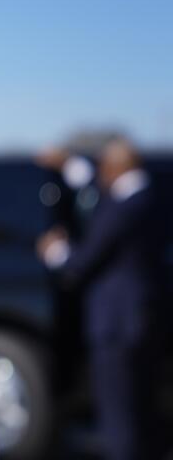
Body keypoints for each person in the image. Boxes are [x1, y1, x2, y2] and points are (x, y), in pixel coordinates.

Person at [38, 139, 168, 460]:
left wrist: (56, 253)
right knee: (144, 408)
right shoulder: (154, 199)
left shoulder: (122, 209)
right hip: (146, 321)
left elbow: (84, 261)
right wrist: (71, 165)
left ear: (113, 169)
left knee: (119, 414)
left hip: (116, 326)